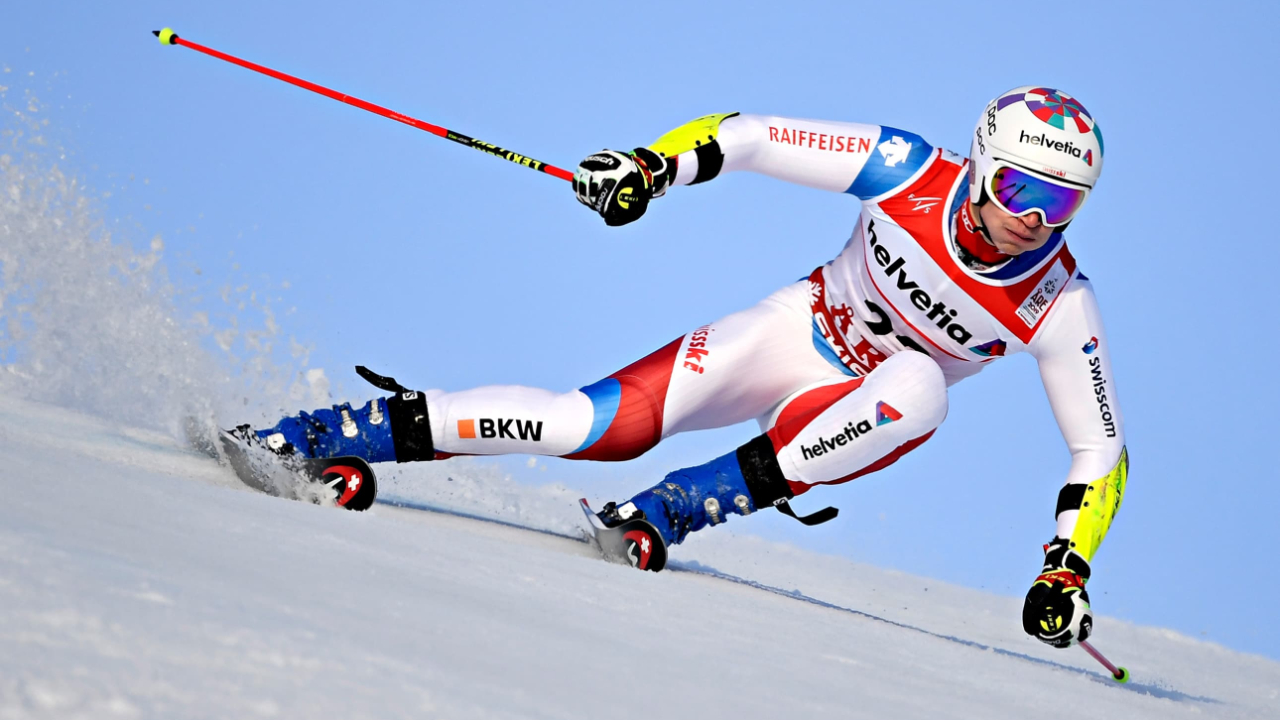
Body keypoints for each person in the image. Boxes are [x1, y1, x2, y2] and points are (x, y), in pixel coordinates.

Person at [233, 86, 1127, 650]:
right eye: (1021, 189)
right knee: (592, 427)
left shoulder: (1058, 299)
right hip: (794, 332)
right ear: (981, 164)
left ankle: (680, 506)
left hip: (849, 408)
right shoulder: (906, 169)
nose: (1033, 219)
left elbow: (1100, 451)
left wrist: (1066, 568)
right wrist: (653, 166)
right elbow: (752, 135)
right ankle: (328, 436)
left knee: (921, 388)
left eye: (1060, 206)